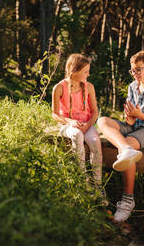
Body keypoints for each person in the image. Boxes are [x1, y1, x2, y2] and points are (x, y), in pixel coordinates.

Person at [97, 51, 144, 222]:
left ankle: (128, 200)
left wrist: (139, 114)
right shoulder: (132, 87)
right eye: (133, 71)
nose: (135, 74)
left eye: (138, 70)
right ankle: (125, 149)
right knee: (103, 121)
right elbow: (130, 119)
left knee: (129, 142)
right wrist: (130, 117)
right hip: (133, 127)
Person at [52, 53, 103, 188]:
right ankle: (82, 180)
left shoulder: (89, 87)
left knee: (95, 142)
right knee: (76, 134)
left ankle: (97, 185)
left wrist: (87, 126)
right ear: (74, 70)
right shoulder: (59, 87)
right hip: (67, 124)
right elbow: (55, 114)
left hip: (86, 124)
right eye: (85, 71)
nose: (88, 74)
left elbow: (95, 112)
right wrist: (70, 122)